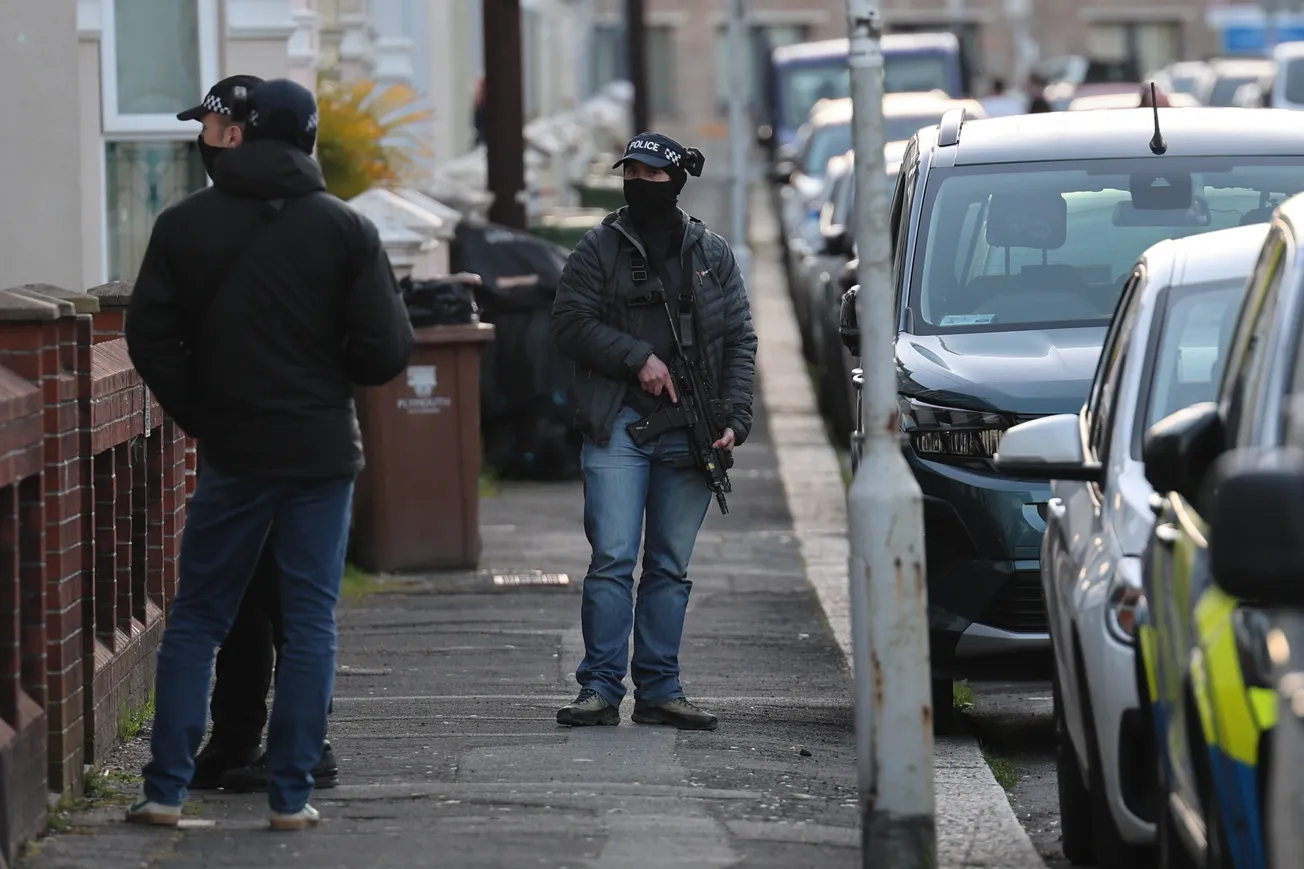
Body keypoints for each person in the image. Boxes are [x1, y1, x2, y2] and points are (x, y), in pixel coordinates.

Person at [123, 77, 414, 831]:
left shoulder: (185, 226)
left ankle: (165, 789)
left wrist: (202, 409)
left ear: (245, 135)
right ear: (309, 139)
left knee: (197, 618)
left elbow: (149, 333)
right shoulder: (345, 230)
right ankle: (291, 796)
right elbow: (386, 350)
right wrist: (325, 368)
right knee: (312, 621)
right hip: (320, 452)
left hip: (234, 450)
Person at [551, 133, 758, 732]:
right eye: (631, 174)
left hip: (694, 428)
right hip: (618, 418)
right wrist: (636, 355)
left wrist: (735, 419)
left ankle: (660, 690)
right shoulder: (599, 248)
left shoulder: (711, 254)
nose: (639, 184)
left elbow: (740, 339)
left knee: (669, 565)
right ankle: (598, 688)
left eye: (652, 175)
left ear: (676, 181)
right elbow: (568, 322)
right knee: (613, 557)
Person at [168, 77, 340, 796]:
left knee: (284, 602)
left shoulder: (296, 220)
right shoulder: (207, 220)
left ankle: (303, 747)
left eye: (208, 128)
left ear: (238, 134)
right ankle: (235, 738)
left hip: (288, 447)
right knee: (241, 601)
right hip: (249, 443)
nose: (200, 142)